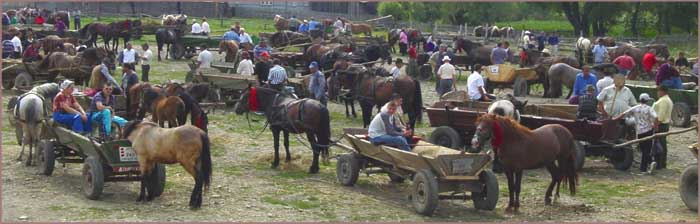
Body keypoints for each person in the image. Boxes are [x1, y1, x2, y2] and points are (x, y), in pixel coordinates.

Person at [614, 93, 658, 173]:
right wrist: (656, 126)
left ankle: (648, 164)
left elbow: (623, 114)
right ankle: (647, 165)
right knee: (647, 149)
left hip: (639, 132)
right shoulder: (649, 109)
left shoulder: (635, 108)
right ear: (647, 101)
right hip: (648, 131)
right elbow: (656, 117)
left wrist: (614, 120)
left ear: (640, 100)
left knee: (642, 148)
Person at [652, 85, 673, 170]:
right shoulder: (667, 99)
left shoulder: (664, 101)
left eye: (658, 91)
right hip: (663, 124)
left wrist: (656, 126)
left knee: (659, 145)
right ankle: (661, 163)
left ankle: (659, 164)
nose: (657, 93)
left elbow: (660, 116)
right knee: (662, 144)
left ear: (663, 91)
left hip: (661, 125)